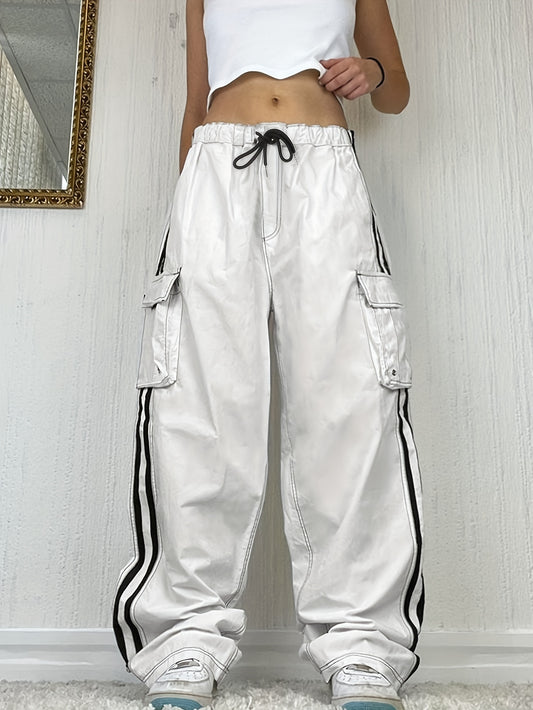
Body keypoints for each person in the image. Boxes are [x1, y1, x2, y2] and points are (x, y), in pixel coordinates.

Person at [112, 1, 425, 709]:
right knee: (199, 398)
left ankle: (360, 644)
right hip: (216, 169)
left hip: (325, 168)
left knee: (349, 398)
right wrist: (188, 206)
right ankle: (185, 637)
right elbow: (197, 101)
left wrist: (371, 71)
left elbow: (396, 90)